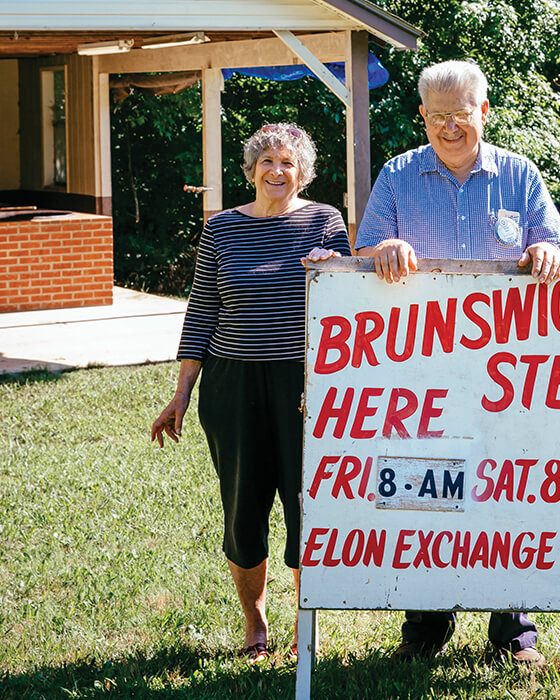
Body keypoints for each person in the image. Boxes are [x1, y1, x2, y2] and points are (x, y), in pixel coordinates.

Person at [355, 59, 560, 666]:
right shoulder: (399, 175)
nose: (451, 126)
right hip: (421, 368)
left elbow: (552, 242)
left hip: (507, 372)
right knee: (430, 482)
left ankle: (513, 623)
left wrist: (544, 251)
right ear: (422, 116)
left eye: (462, 114)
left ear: (485, 112)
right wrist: (385, 248)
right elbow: (365, 248)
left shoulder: (521, 175)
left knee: (511, 484)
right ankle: (426, 620)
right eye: (438, 116)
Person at [150, 123, 351, 664]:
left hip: (304, 386)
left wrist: (337, 270)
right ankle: (255, 623)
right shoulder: (221, 230)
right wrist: (181, 394)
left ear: (303, 172)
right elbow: (201, 312)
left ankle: (303, 626)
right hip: (233, 383)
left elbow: (345, 303)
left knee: (308, 506)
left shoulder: (326, 223)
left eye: (288, 163)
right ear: (251, 169)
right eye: (267, 162)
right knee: (243, 507)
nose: (277, 172)